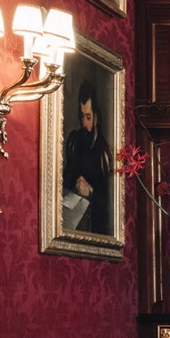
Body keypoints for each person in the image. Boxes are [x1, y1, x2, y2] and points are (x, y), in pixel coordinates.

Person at [62, 80, 111, 235]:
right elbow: (66, 178)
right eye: (82, 116)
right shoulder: (74, 140)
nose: (84, 123)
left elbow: (108, 202)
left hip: (93, 223)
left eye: (88, 117)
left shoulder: (104, 151)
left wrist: (89, 191)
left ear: (96, 117)